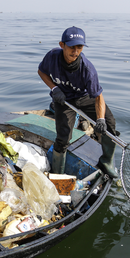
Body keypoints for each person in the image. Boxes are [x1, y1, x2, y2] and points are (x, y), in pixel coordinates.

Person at [38, 26, 119, 179]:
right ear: (62, 45)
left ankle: (106, 162)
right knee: (63, 137)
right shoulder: (52, 57)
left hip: (85, 97)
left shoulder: (87, 69)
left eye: (79, 47)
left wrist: (100, 119)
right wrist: (54, 88)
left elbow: (98, 97)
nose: (75, 51)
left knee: (110, 124)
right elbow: (41, 71)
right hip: (64, 99)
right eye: (71, 47)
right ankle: (57, 173)